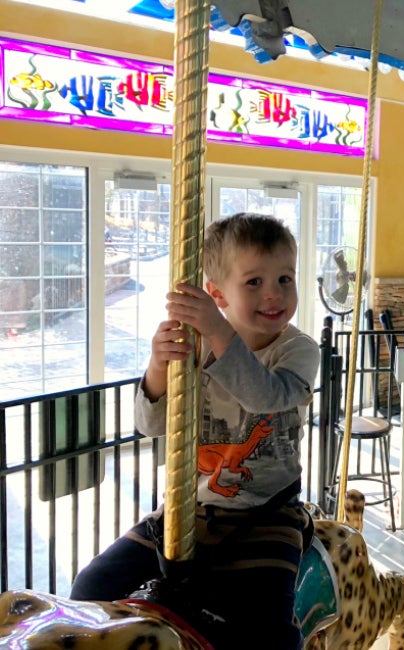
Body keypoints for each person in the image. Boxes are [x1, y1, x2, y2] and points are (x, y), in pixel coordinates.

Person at [70, 213, 320, 650]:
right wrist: (158, 367)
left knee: (272, 635)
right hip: (189, 508)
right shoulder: (195, 348)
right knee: (92, 585)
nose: (275, 294)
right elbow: (148, 426)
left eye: (285, 278)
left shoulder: (297, 350)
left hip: (265, 513)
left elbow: (264, 396)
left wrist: (219, 330)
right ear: (217, 293)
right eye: (254, 282)